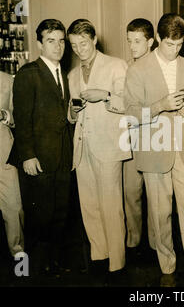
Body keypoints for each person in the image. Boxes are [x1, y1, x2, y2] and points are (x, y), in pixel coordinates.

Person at [124, 13, 184, 287]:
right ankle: (168, 269)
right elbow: (131, 113)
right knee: (161, 217)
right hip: (154, 151)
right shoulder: (137, 70)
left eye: (180, 45)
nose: (175, 50)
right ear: (158, 38)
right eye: (170, 44)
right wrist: (161, 104)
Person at [67, 19, 131, 284]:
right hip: (83, 147)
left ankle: (117, 263)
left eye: (83, 43)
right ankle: (99, 256)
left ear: (94, 39)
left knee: (111, 205)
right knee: (89, 206)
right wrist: (71, 113)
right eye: (74, 45)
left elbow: (129, 103)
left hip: (108, 144)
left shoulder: (116, 65)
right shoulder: (72, 75)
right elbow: (72, 114)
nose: (79, 49)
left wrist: (105, 95)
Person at [12, 19, 73, 276]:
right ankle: (38, 267)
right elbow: (22, 118)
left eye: (61, 41)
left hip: (61, 156)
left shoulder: (63, 75)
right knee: (41, 214)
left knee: (60, 211)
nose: (58, 46)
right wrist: (28, 155)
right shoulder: (29, 73)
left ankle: (55, 262)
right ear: (39, 45)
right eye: (51, 41)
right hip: (38, 158)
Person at [123, 18, 156, 254]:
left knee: (156, 196)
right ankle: (133, 240)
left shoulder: (160, 68)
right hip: (131, 138)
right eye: (129, 41)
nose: (132, 46)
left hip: (155, 138)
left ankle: (156, 242)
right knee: (131, 191)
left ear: (151, 42)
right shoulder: (126, 67)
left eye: (137, 41)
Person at [0, 71, 24, 258]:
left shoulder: (8, 80)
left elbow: (18, 118)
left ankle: (19, 260)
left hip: (4, 156)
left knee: (14, 208)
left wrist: (5, 115)